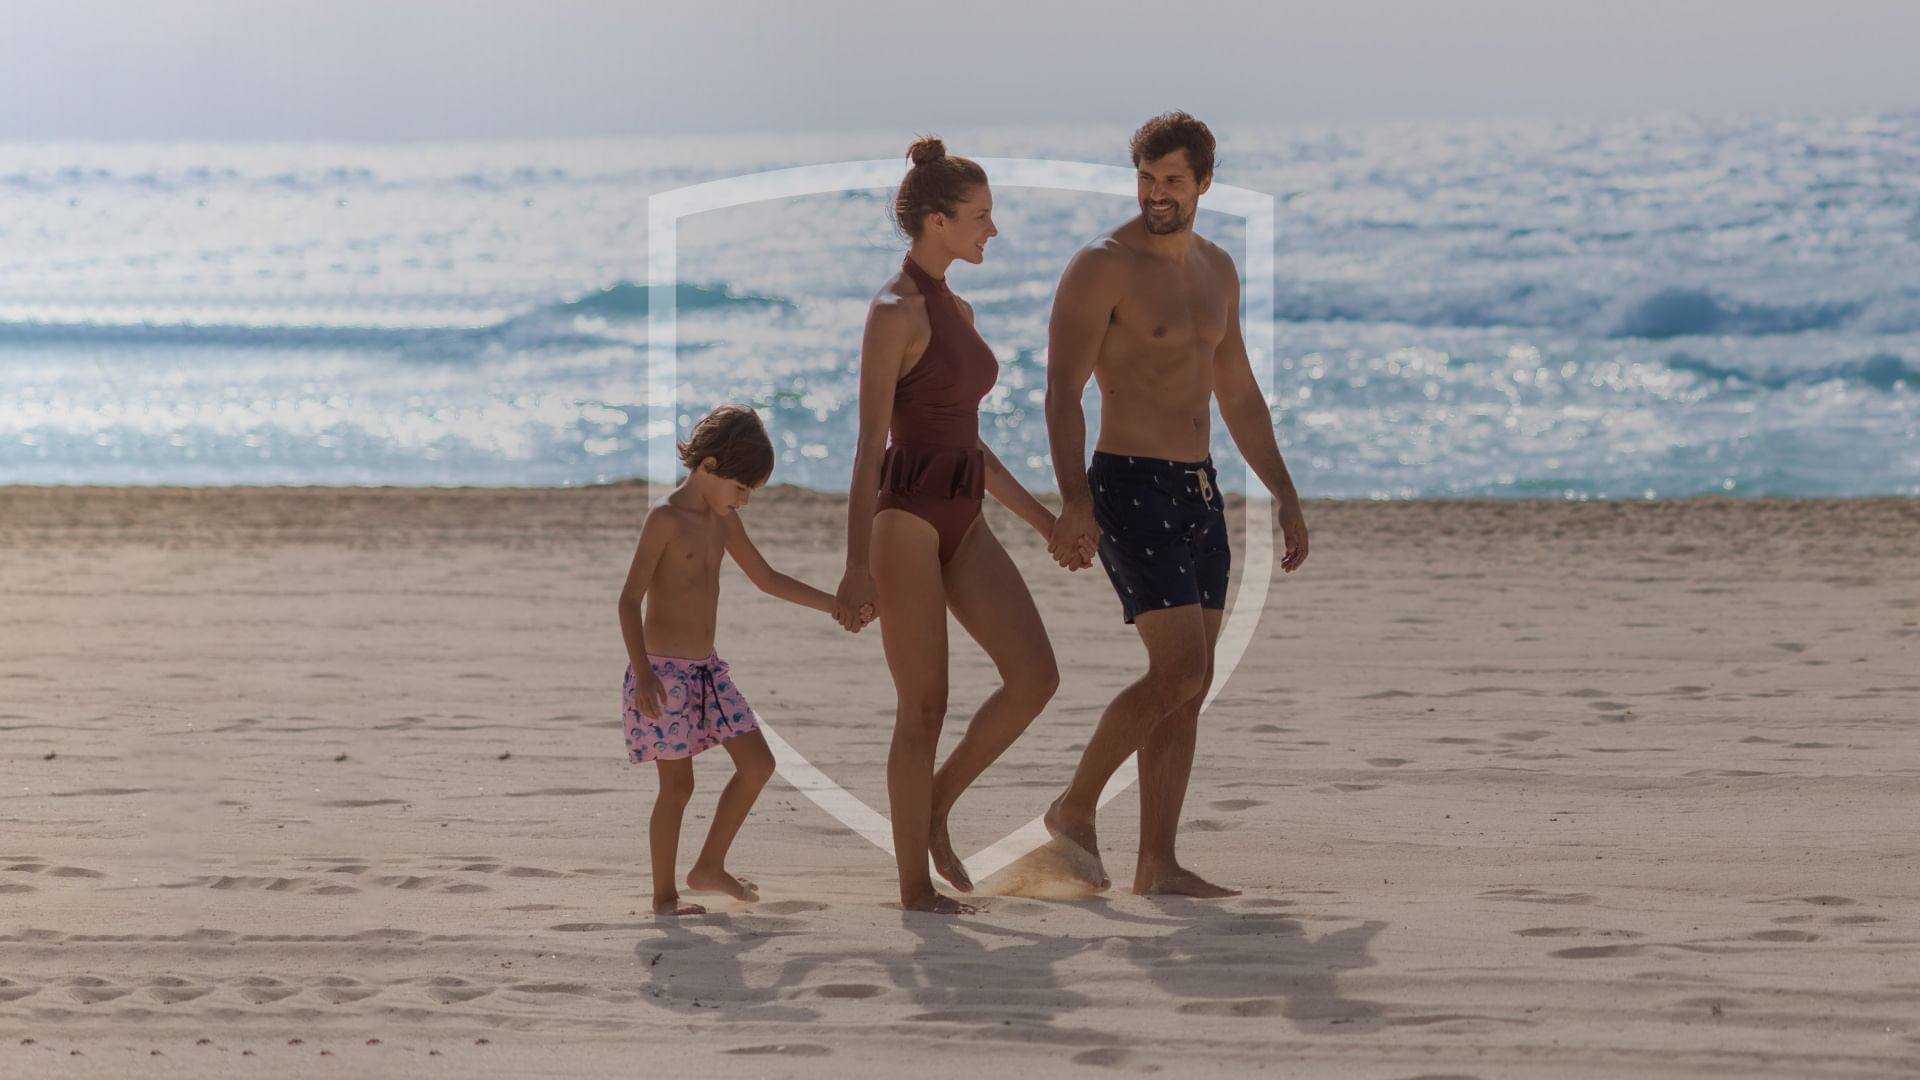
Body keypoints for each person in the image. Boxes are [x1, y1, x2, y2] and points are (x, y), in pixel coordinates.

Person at [1043, 112, 1311, 897]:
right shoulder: (1102, 266)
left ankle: (1156, 862)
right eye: (1146, 179)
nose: (1156, 194)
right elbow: (1062, 391)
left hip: (1199, 488)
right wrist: (1072, 498)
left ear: (1203, 183)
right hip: (1127, 482)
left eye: (1172, 181)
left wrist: (1285, 493)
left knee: (1191, 684)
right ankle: (1074, 804)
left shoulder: (1217, 270)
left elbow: (1239, 394)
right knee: (1181, 669)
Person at [835, 138, 1079, 915]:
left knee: (1036, 675)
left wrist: (1043, 520)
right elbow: (870, 443)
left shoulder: (959, 309)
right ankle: (913, 886)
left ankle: (935, 804)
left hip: (965, 513)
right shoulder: (892, 314)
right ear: (936, 221)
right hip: (904, 520)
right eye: (980, 217)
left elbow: (969, 437)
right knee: (924, 707)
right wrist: (854, 566)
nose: (992, 231)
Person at [617, 404, 862, 916]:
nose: (745, 501)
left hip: (708, 673)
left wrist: (833, 606)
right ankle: (664, 897)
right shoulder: (665, 519)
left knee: (758, 764)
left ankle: (708, 866)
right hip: (662, 676)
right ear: (709, 467)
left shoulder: (721, 521)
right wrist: (642, 673)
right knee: (678, 787)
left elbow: (767, 578)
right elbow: (627, 600)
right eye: (742, 488)